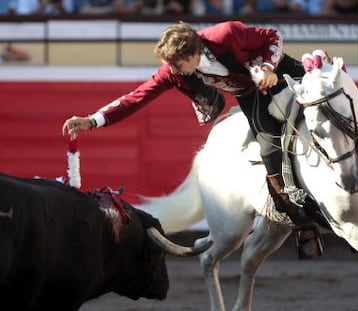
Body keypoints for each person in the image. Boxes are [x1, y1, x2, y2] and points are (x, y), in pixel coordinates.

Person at [61, 21, 323, 260]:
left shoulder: (226, 34)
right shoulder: (175, 72)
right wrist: (93, 120)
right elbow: (136, 97)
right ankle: (302, 224)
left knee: (341, 101)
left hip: (283, 71)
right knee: (270, 149)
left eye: (176, 64)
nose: (172, 70)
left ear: (194, 54)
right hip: (253, 95)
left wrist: (267, 67)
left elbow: (272, 36)